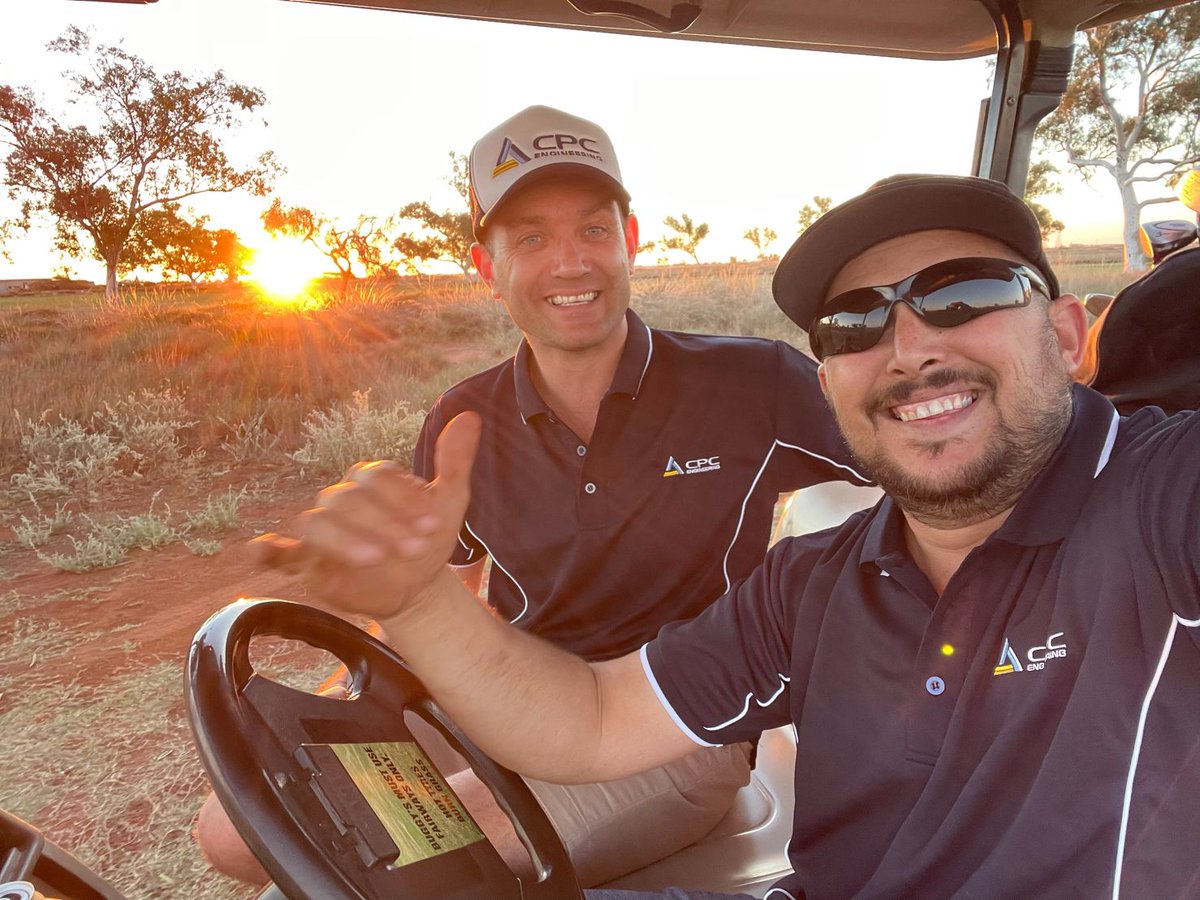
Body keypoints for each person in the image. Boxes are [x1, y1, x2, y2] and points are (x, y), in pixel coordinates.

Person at [262, 171, 1200, 898]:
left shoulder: (1160, 501)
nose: (911, 347)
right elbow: (594, 718)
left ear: (1069, 333)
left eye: (966, 295)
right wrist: (417, 602)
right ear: (828, 384)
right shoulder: (813, 584)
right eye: (855, 323)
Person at [195, 104, 872, 888]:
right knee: (238, 826)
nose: (571, 263)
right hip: (505, 687)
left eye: (594, 230)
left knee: (401, 863)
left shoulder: (751, 384)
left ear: (630, 240)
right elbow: (445, 596)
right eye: (531, 239)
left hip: (673, 722)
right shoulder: (463, 420)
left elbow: (923, 480)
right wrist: (353, 697)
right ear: (486, 268)